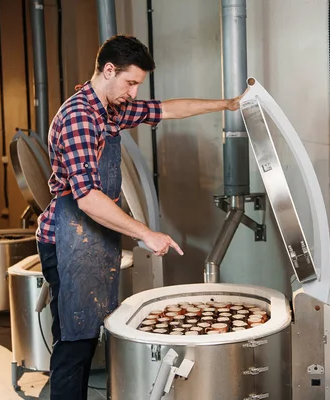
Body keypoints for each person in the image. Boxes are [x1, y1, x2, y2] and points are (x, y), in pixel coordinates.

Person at [35, 34, 244, 399]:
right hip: (68, 236)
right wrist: (146, 233)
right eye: (130, 82)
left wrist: (226, 104)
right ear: (109, 70)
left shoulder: (110, 109)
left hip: (93, 238)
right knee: (74, 340)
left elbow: (168, 109)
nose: (133, 92)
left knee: (86, 337)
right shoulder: (79, 117)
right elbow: (87, 199)